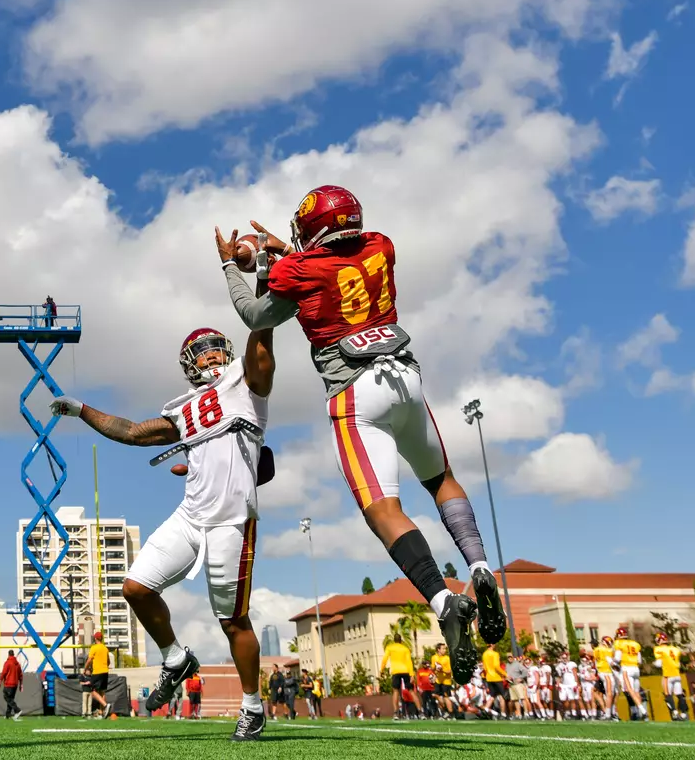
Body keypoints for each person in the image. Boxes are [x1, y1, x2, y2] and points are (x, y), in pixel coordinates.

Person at [217, 188, 505, 686]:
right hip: (406, 379)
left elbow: (256, 315)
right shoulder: (381, 245)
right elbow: (329, 265)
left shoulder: (302, 268)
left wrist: (235, 265)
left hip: (355, 393)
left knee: (383, 509)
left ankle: (442, 600)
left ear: (312, 230)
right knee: (441, 479)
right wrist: (278, 254)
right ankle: (480, 567)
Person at [51, 307, 276, 743]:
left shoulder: (246, 388)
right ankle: (174, 657)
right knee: (135, 587)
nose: (211, 358)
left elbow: (263, 358)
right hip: (190, 516)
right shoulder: (185, 408)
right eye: (202, 353)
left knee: (233, 621)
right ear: (190, 365)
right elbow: (133, 432)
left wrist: (262, 307)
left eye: (216, 351)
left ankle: (253, 707)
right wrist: (82, 410)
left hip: (230, 521)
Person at [612, 626, 648, 721]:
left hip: (626, 669)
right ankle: (640, 714)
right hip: (636, 669)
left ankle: (642, 711)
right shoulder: (635, 644)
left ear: (619, 635)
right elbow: (639, 660)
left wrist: (612, 662)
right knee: (636, 692)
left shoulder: (619, 643)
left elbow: (618, 658)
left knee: (630, 691)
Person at [653, 632, 687, 721]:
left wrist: (654, 664)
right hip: (677, 674)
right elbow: (678, 663)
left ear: (659, 640)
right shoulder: (675, 649)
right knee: (679, 695)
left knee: (668, 695)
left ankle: (675, 712)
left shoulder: (658, 649)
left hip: (668, 675)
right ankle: (683, 713)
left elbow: (659, 664)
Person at [381, 634, 415, 720]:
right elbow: (409, 661)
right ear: (401, 640)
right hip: (406, 670)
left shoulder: (390, 647)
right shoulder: (405, 648)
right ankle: (421, 712)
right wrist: (412, 674)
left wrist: (382, 670)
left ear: (394, 640)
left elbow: (385, 659)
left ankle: (396, 713)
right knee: (411, 691)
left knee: (395, 691)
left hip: (396, 671)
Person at [84, 632, 110, 717]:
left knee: (93, 691)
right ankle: (102, 712)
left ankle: (105, 705)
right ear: (101, 638)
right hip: (105, 671)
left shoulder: (94, 647)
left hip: (97, 672)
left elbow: (89, 660)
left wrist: (85, 669)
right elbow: (108, 662)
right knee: (102, 691)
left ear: (95, 638)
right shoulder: (105, 648)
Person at [482, 644, 507, 718]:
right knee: (502, 696)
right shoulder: (495, 654)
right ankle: (503, 714)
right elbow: (496, 666)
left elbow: (484, 667)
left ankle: (486, 708)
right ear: (492, 645)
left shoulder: (484, 654)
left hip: (489, 677)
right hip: (496, 677)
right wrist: (505, 674)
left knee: (492, 695)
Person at [0, 650, 24, 720]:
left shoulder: (7, 663)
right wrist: (21, 685)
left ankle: (17, 710)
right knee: (10, 699)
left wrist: (0, 681)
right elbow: (20, 675)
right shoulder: (17, 664)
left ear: (8, 655)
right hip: (15, 685)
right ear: (14, 655)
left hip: (8, 684)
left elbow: (4, 673)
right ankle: (8, 715)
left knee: (6, 697)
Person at [506, 654, 528, 719]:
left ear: (513, 657)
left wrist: (520, 678)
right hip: (511, 684)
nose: (509, 658)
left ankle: (526, 714)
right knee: (515, 700)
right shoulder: (507, 665)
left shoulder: (517, 664)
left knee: (522, 698)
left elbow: (525, 671)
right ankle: (519, 714)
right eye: (508, 657)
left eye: (510, 657)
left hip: (518, 684)